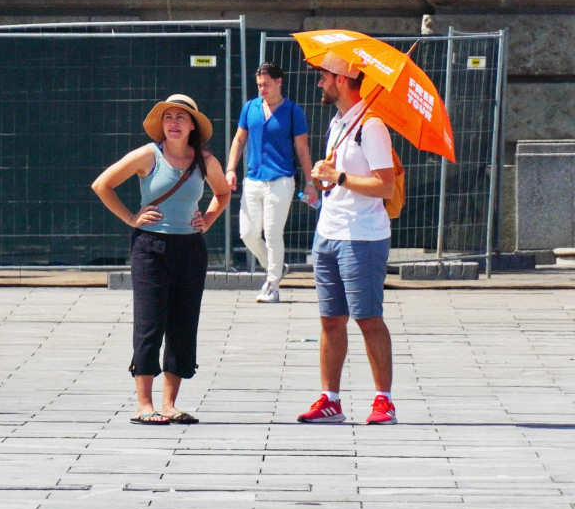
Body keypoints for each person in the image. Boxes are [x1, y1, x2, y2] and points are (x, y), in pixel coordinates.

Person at [92, 94, 230, 425]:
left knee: (183, 324)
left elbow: (223, 192)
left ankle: (169, 404)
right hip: (150, 248)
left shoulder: (205, 160)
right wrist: (131, 218)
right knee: (150, 323)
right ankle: (144, 404)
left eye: (181, 117)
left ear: (193, 125)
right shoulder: (148, 155)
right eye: (168, 117)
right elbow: (102, 185)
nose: (173, 123)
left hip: (190, 249)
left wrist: (207, 220)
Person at [297, 54, 397, 425]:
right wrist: (327, 179)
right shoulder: (339, 122)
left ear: (341, 79)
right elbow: (340, 178)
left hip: (362, 237)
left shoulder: (372, 126)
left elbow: (384, 186)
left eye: (324, 76)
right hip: (328, 232)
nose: (319, 83)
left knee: (368, 318)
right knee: (330, 320)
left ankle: (384, 401)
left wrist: (337, 177)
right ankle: (330, 400)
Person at [225, 62, 316, 304]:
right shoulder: (250, 107)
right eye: (259, 85)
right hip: (253, 179)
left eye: (266, 84)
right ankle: (276, 267)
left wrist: (310, 182)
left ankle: (273, 284)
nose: (262, 89)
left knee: (273, 233)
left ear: (279, 82)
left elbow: (302, 148)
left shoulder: (293, 111)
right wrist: (231, 169)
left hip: (281, 179)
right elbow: (239, 140)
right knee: (247, 233)